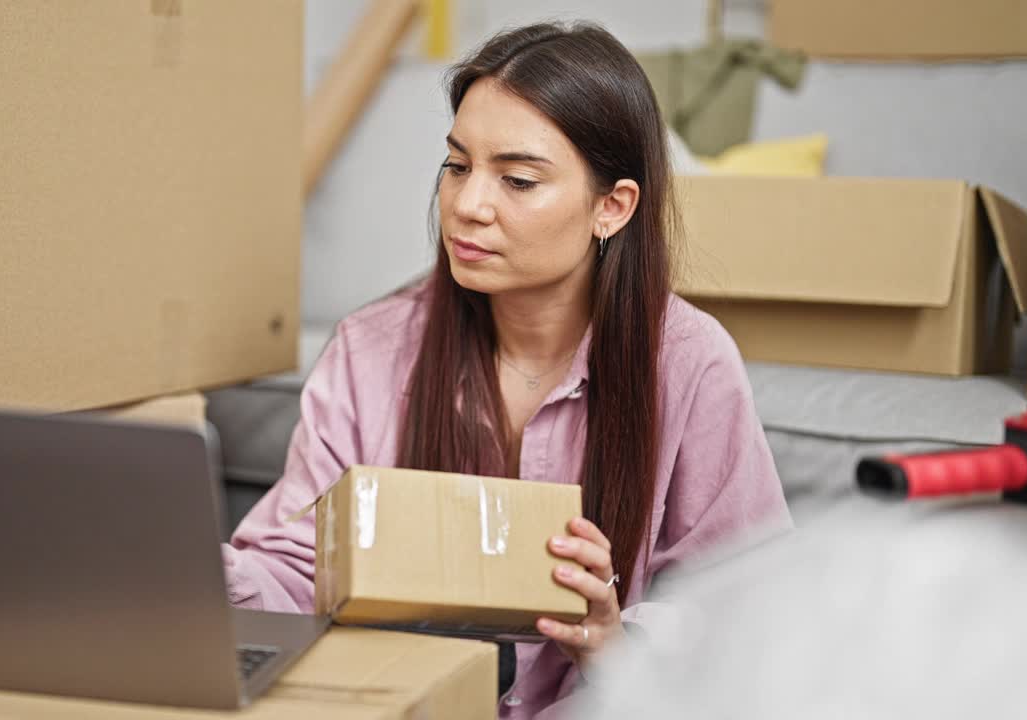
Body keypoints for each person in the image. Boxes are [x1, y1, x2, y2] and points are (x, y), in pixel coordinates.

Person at [222, 21, 791, 719]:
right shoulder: (372, 351)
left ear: (612, 207)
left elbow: (750, 615)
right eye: (457, 166)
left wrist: (612, 642)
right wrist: (188, 567)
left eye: (517, 179)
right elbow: (299, 565)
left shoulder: (690, 365)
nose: (467, 205)